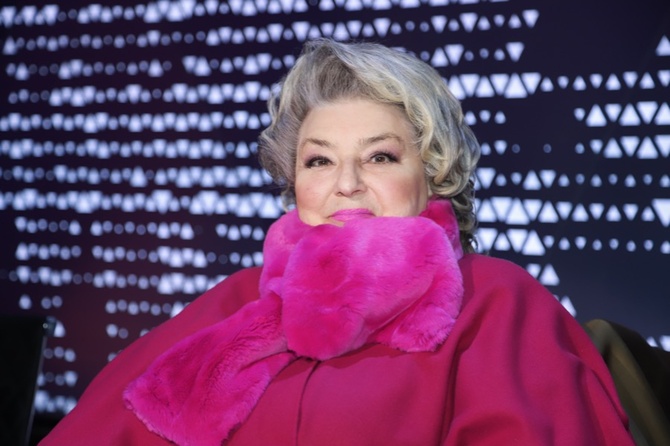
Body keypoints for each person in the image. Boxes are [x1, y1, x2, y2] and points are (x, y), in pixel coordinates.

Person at [40, 39, 634, 445]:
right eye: (319, 160)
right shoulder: (237, 300)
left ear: (433, 174)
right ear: (294, 182)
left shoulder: (497, 298)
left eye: (380, 156)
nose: (346, 183)